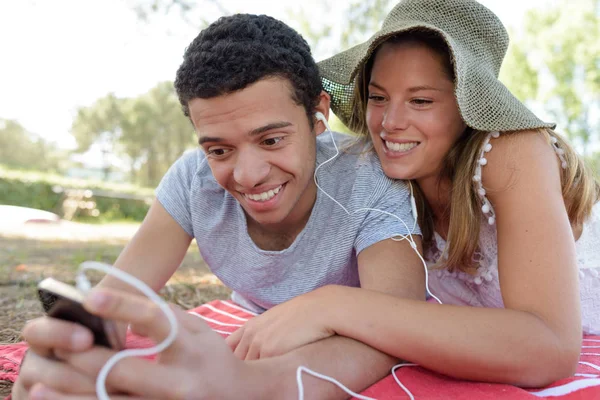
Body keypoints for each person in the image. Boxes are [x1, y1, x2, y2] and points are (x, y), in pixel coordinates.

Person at [12, 13, 425, 400]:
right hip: (251, 331)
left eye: (271, 140)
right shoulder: (193, 180)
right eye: (220, 149)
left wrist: (251, 386)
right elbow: (115, 302)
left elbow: (395, 330)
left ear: (318, 114)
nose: (247, 175)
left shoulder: (371, 177)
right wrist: (75, 359)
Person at [222, 0, 600, 388]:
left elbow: (551, 348)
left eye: (420, 100)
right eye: (378, 97)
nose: (389, 123)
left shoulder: (511, 154)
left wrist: (332, 306)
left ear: (469, 107)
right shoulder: (381, 179)